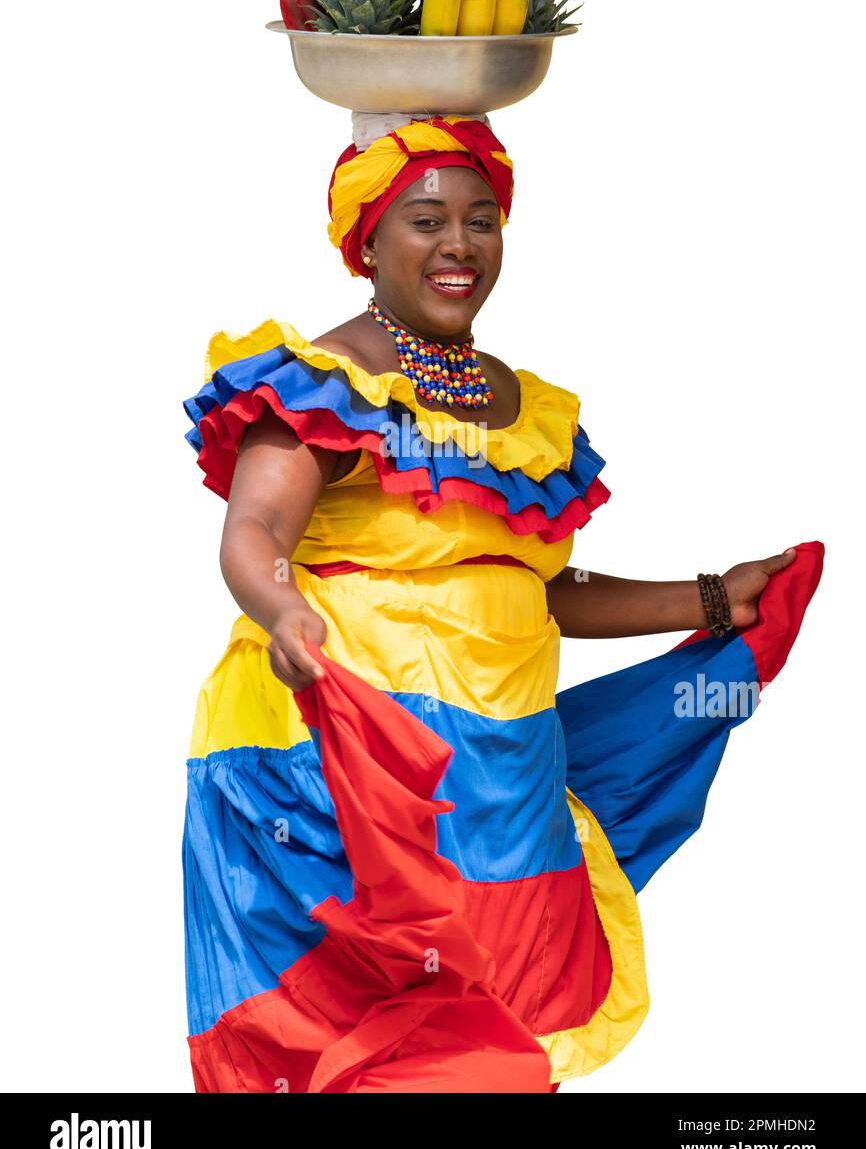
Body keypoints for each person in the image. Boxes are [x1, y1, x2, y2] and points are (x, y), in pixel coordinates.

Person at [182, 113, 822, 1093]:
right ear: (368, 240)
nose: (457, 245)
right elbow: (253, 532)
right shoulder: (324, 379)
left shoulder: (522, 406)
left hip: (499, 772)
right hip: (345, 758)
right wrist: (285, 614)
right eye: (424, 219)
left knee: (495, 1032)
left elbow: (542, 591)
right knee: (362, 1043)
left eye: (480, 220)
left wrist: (705, 598)